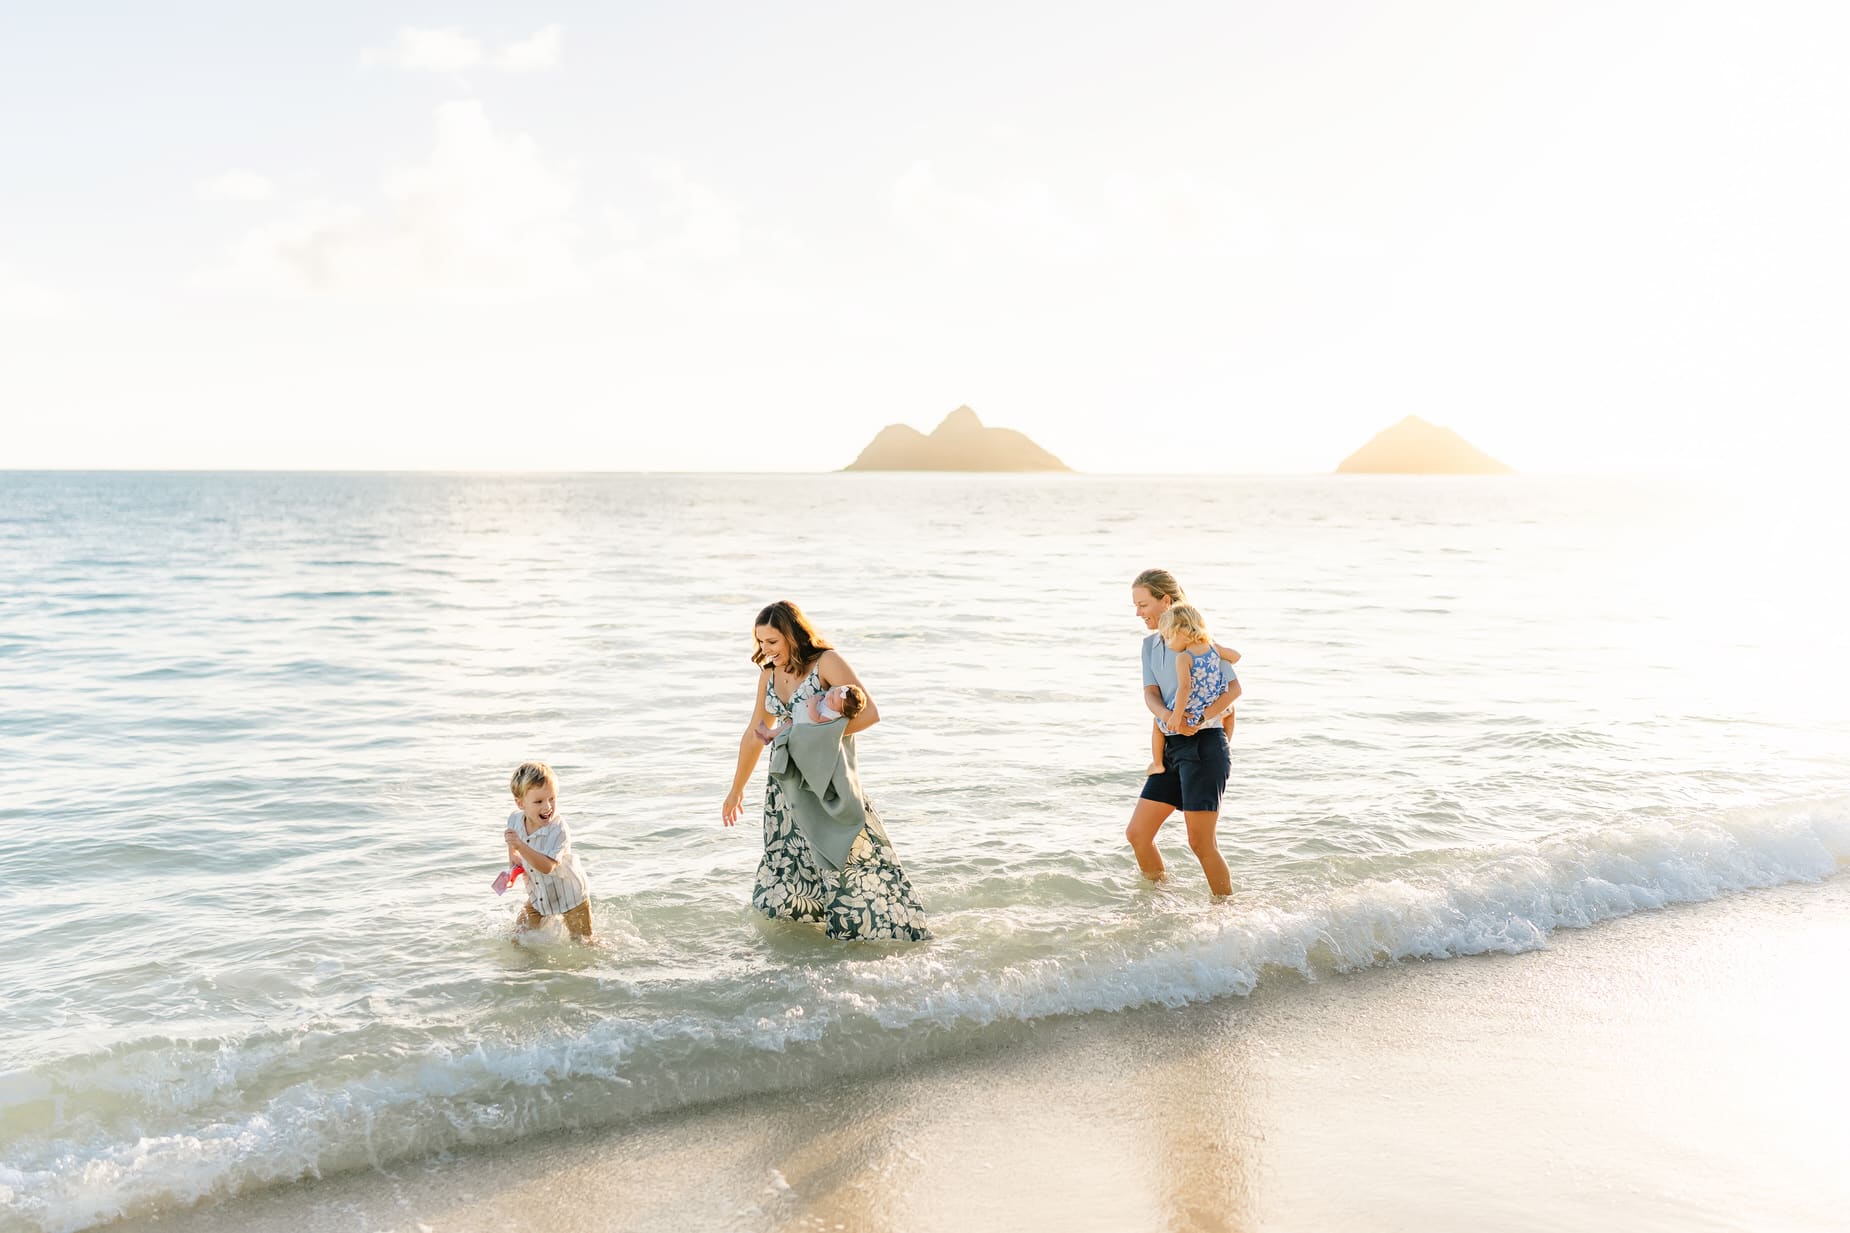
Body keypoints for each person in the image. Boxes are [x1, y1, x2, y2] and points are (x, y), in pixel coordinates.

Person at [722, 601, 930, 941]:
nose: (765, 650)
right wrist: (736, 789)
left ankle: (886, 936)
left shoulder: (827, 663)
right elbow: (754, 733)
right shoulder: (769, 675)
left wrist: (808, 736)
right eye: (760, 643)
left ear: (792, 635)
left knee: (849, 856)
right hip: (785, 787)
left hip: (828, 780)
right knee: (789, 863)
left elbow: (869, 713)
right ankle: (803, 947)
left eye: (772, 642)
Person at [1125, 569, 1242, 897]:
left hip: (1204, 745)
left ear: (1165, 600)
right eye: (1135, 606)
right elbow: (1151, 693)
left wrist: (1204, 722)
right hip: (1170, 748)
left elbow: (1233, 692)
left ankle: (1226, 915)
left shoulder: (1199, 640)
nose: (1138, 613)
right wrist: (1167, 717)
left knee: (1201, 843)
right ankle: (1157, 905)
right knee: (1138, 833)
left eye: (1143, 604)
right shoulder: (1149, 646)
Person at [501, 760, 593, 941]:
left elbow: (548, 867)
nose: (547, 807)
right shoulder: (514, 819)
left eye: (552, 798)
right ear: (520, 804)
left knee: (584, 943)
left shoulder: (558, 828)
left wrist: (521, 846)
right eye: (538, 801)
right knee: (516, 938)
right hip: (540, 897)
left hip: (571, 897)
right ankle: (528, 968)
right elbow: (512, 841)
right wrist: (513, 861)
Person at [754, 682, 867, 744]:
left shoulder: (832, 715)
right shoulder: (834, 701)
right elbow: (828, 695)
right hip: (799, 718)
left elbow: (816, 718)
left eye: (832, 700)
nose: (830, 697)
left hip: (802, 725)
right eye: (833, 693)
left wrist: (812, 705)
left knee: (787, 727)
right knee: (785, 727)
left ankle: (768, 734)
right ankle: (769, 736)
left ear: (841, 713)